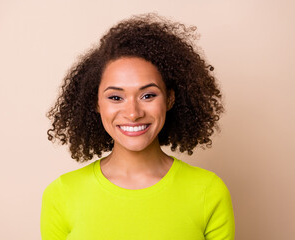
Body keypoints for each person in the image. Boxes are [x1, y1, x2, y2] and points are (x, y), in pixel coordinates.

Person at [41, 13, 235, 240]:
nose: (133, 113)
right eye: (115, 97)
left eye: (148, 95)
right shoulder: (62, 194)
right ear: (96, 103)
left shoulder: (208, 191)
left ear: (170, 99)